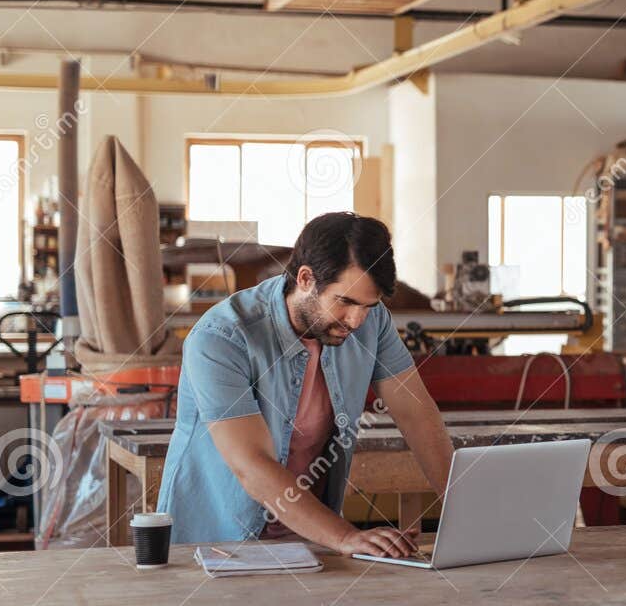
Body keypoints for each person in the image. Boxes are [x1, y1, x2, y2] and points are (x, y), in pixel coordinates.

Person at [157, 212, 454, 557]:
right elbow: (251, 465)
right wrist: (345, 537)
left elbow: (417, 415)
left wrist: (466, 514)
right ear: (305, 278)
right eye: (345, 302)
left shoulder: (373, 325)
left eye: (369, 306)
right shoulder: (221, 338)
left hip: (311, 541)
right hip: (215, 544)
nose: (357, 321)